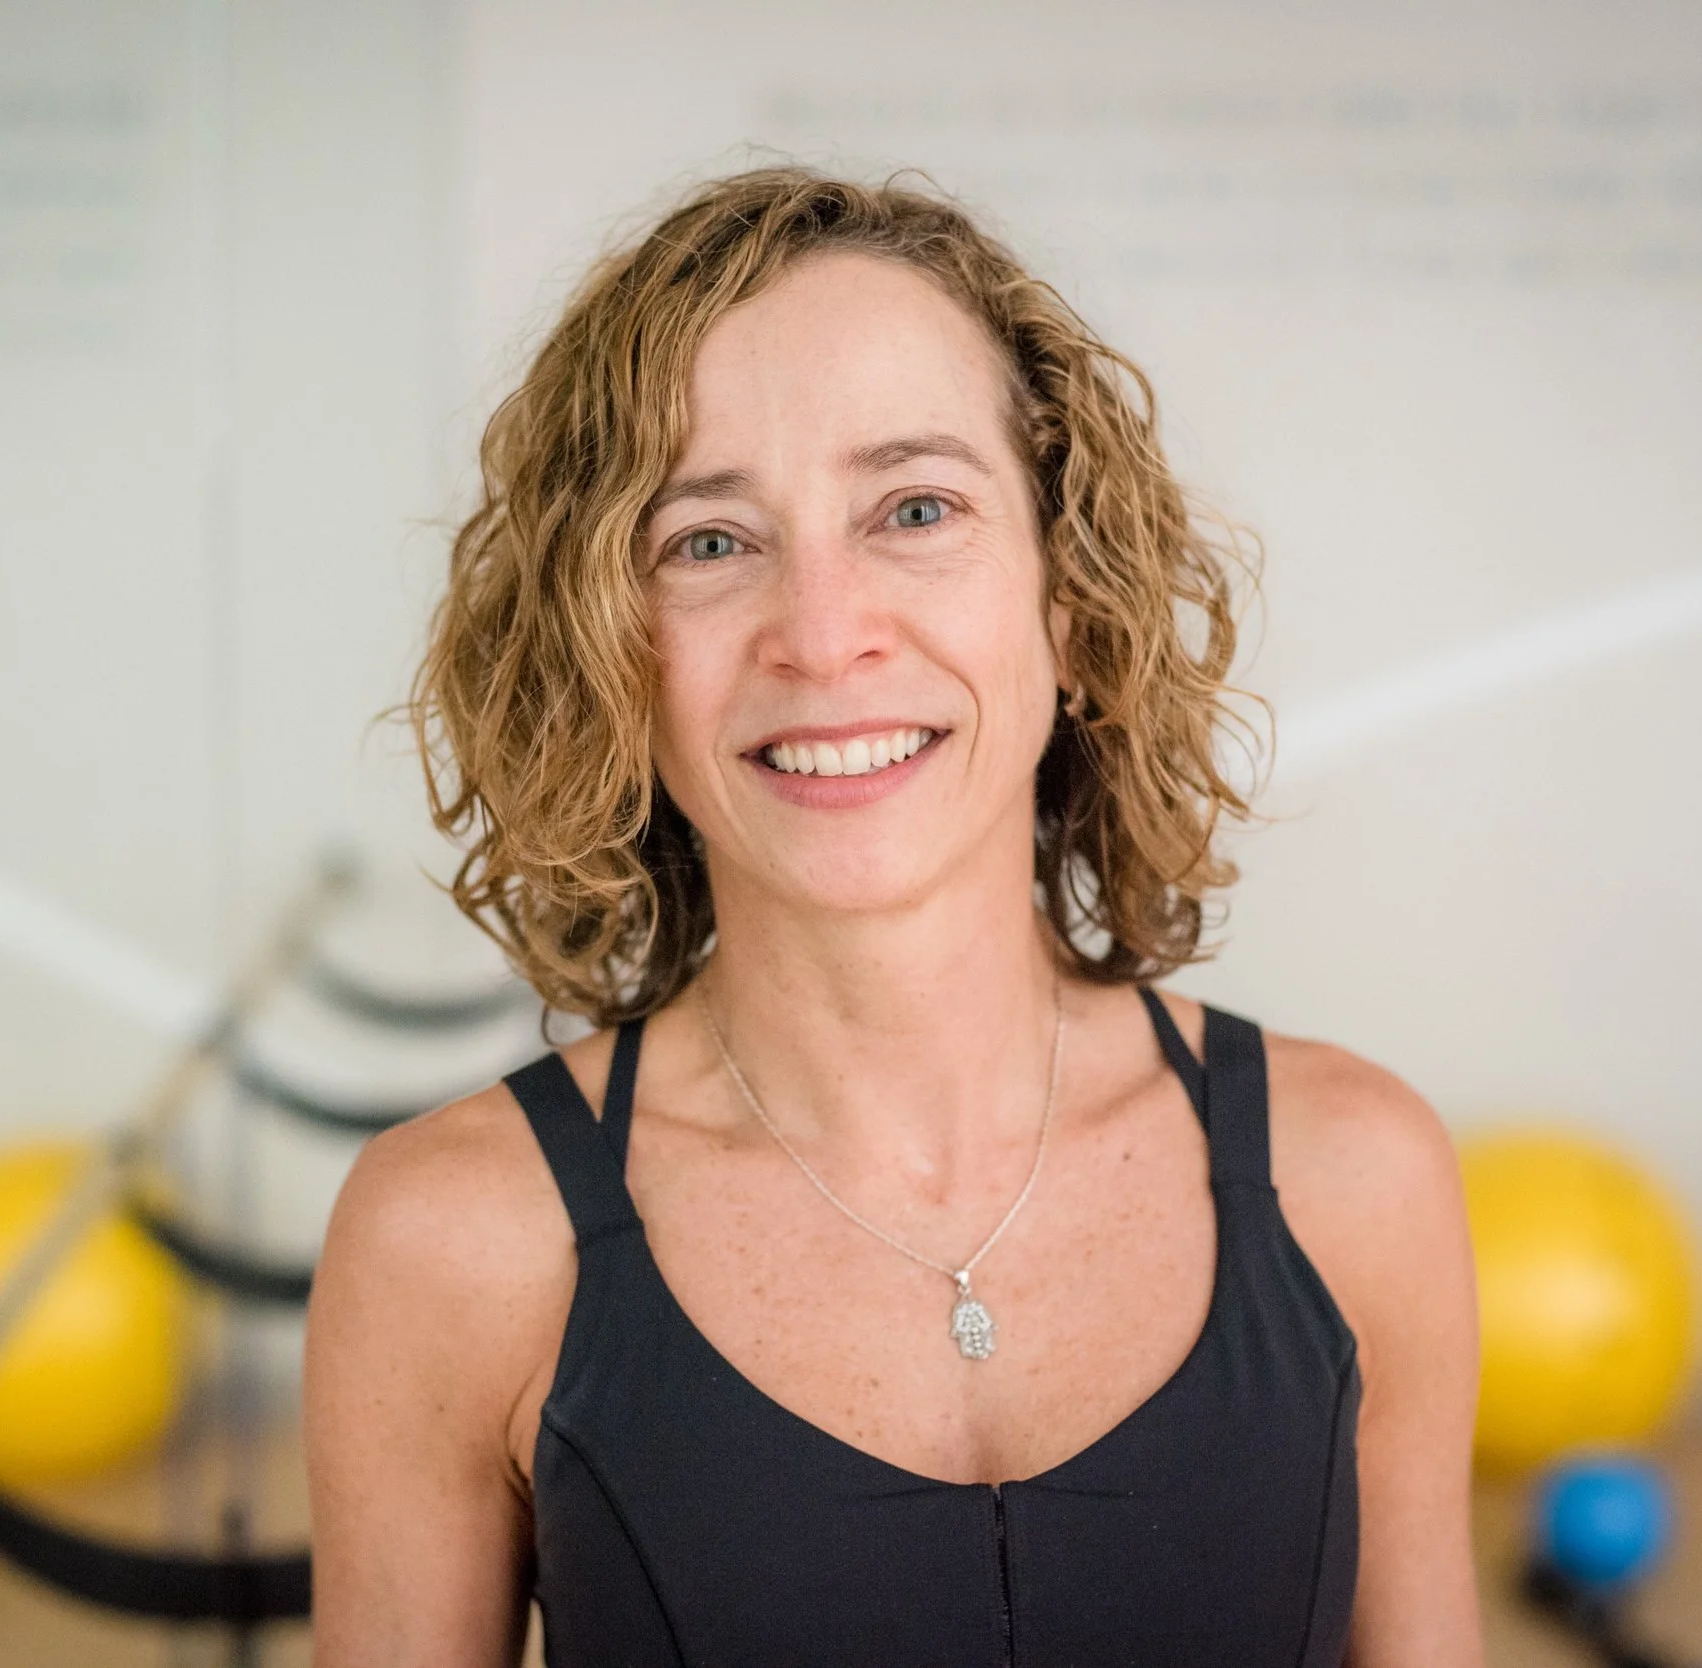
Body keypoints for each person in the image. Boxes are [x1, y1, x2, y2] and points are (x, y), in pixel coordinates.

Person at [303, 167, 1483, 1666]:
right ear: (608, 655)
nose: (822, 634)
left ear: (1069, 600)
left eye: (916, 510)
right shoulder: (454, 1243)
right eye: (708, 541)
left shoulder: (1356, 1179)